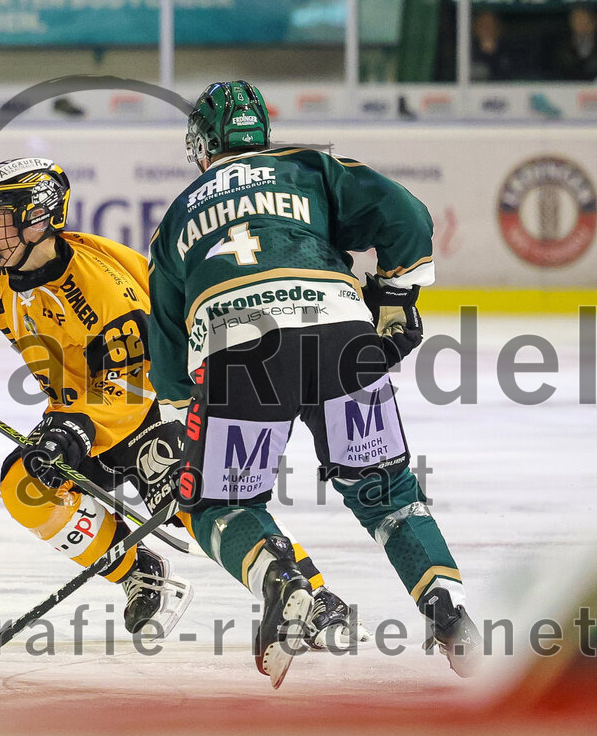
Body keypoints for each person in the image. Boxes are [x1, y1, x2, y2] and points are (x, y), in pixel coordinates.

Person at [0, 157, 363, 648]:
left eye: (1, 218)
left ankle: (311, 596)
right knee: (26, 487)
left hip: (160, 408)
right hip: (80, 414)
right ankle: (139, 571)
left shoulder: (100, 290)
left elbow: (132, 384)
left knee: (201, 507)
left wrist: (73, 430)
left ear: (39, 219)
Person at [147, 81, 482, 686]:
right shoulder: (308, 167)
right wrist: (395, 295)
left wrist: (181, 427)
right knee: (388, 491)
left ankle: (286, 583)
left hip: (240, 351)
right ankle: (449, 613)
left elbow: (167, 343)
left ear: (201, 146)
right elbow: (406, 214)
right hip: (342, 338)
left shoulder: (176, 218)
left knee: (217, 506)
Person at [552, 6, 597, 81]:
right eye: (575, 18)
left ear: (594, 21)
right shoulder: (562, 47)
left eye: (582, 18)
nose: (579, 22)